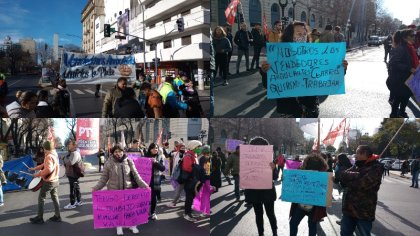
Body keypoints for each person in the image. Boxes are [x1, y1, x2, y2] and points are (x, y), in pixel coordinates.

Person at [260, 21, 348, 117]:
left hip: (309, 110)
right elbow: (268, 85)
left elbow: (327, 79)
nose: (302, 36)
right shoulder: (278, 55)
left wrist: (341, 69)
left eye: (304, 34)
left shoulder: (315, 56)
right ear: (289, 36)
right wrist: (265, 72)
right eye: (298, 34)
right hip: (289, 112)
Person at [92, 144, 149, 236]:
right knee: (118, 210)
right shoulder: (108, 163)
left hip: (128, 191)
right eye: (116, 152)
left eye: (120, 151)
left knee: (130, 210)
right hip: (114, 192)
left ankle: (132, 225)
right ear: (113, 153)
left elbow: (136, 176)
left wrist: (145, 186)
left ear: (123, 152)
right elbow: (103, 178)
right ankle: (119, 226)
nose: (118, 153)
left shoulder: (129, 161)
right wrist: (96, 188)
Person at [339, 145, 383, 236]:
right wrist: (358, 175)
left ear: (365, 154)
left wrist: (349, 181)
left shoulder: (376, 167)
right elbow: (343, 175)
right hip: (348, 209)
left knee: (364, 234)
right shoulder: (357, 164)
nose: (355, 155)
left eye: (357, 153)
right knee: (344, 233)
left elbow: (362, 184)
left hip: (364, 211)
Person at [245, 136, 278, 236]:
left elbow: (275, 177)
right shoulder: (247, 160)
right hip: (255, 192)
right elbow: (245, 177)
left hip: (266, 192)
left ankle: (274, 233)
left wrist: (273, 168)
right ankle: (261, 233)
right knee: (259, 215)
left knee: (270, 214)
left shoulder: (269, 161)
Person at [289, 153, 328, 236]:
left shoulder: (324, 176)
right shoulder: (301, 172)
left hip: (307, 204)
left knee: (295, 223)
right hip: (307, 204)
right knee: (311, 225)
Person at [28, 141, 61, 224]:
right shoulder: (54, 154)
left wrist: (37, 174)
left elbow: (48, 169)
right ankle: (57, 216)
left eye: (43, 148)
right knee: (55, 198)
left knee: (41, 198)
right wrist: (34, 169)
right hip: (55, 180)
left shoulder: (49, 156)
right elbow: (44, 165)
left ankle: (40, 218)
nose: (43, 149)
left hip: (49, 181)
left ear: (45, 148)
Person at [387, 29, 418, 118]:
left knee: (406, 96)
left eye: (414, 35)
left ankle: (402, 112)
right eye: (412, 35)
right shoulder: (402, 48)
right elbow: (393, 63)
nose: (414, 37)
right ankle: (393, 114)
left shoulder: (409, 47)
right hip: (401, 79)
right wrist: (409, 68)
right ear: (405, 37)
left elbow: (410, 61)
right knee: (398, 97)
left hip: (407, 77)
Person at [181, 140, 202, 222]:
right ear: (194, 147)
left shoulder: (194, 155)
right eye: (198, 147)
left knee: (191, 197)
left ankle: (188, 211)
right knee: (189, 198)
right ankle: (187, 214)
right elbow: (187, 169)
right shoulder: (188, 156)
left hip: (194, 180)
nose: (200, 148)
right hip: (190, 180)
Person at [145, 143, 165, 220]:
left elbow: (163, 168)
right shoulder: (145, 157)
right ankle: (145, 212)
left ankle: (153, 212)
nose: (155, 149)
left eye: (156, 148)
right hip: (146, 180)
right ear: (150, 149)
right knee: (146, 198)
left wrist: (155, 162)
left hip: (155, 180)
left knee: (153, 198)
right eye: (153, 148)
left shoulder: (160, 157)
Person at [63, 140, 83, 210]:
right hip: (73, 173)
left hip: (73, 174)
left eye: (70, 144)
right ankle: (79, 201)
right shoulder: (73, 153)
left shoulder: (75, 153)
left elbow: (70, 163)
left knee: (73, 188)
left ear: (74, 146)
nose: (69, 145)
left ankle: (72, 203)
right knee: (76, 187)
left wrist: (64, 158)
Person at [333, 153, 353, 225]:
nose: (337, 160)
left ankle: (344, 221)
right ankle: (349, 220)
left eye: (338, 159)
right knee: (350, 205)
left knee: (345, 205)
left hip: (346, 187)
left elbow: (337, 177)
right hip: (352, 187)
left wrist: (334, 180)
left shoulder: (341, 166)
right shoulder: (350, 165)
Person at [167, 143, 186, 207]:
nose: (182, 149)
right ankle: (179, 198)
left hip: (181, 174)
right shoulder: (175, 153)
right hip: (176, 173)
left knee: (179, 188)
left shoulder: (186, 154)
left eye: (183, 148)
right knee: (177, 187)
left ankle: (175, 202)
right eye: (181, 148)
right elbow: (168, 155)